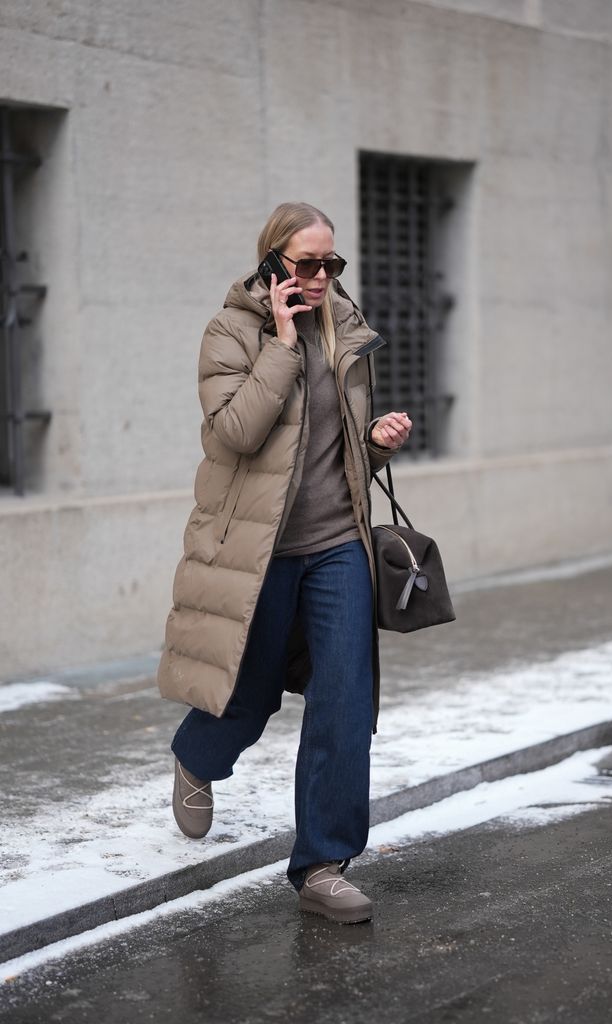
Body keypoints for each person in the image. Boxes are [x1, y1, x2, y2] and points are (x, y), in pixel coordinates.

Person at [157, 201, 411, 925]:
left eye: (333, 263)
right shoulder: (229, 334)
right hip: (257, 553)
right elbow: (235, 431)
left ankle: (324, 865)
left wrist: (380, 440)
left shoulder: (345, 327)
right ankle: (197, 757)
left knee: (343, 701)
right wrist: (282, 338)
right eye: (308, 264)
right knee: (251, 693)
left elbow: (340, 443)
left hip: (337, 546)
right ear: (273, 265)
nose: (324, 276)